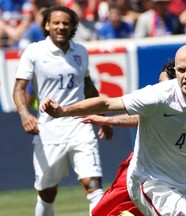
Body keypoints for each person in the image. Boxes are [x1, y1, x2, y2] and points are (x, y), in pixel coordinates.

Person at [40, 43, 186, 216]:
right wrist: (63, 111)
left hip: (181, 184)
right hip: (149, 182)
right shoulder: (158, 95)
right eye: (181, 70)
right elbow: (106, 103)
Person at [12, 5, 113, 216]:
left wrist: (103, 118)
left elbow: (88, 87)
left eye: (66, 23)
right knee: (47, 193)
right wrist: (24, 114)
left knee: (93, 186)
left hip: (80, 125)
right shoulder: (35, 51)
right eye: (56, 23)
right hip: (49, 130)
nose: (61, 27)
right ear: (47, 26)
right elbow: (19, 88)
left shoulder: (81, 52)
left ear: (73, 27)